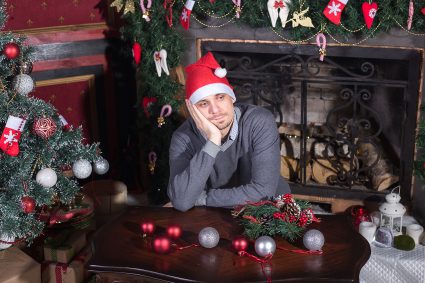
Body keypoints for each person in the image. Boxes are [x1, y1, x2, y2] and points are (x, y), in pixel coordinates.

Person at [167, 52, 290, 212]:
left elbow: (263, 192)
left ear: (231, 98)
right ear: (193, 110)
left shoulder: (259, 121)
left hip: (267, 211)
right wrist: (213, 141)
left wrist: (203, 198)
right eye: (204, 103)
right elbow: (182, 201)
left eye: (220, 97)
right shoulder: (183, 138)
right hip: (216, 214)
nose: (215, 110)